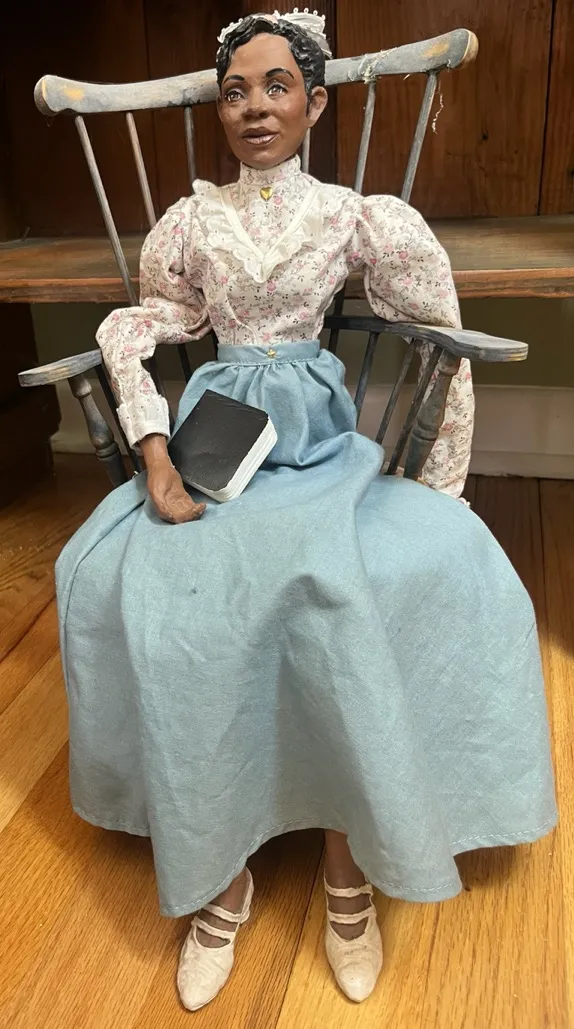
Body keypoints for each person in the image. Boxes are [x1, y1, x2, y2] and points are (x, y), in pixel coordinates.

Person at [56, 10, 557, 1012]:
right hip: (218, 431)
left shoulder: (350, 215)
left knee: (349, 587)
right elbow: (149, 322)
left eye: (277, 86)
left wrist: (440, 473)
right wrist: (152, 447)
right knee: (166, 591)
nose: (255, 107)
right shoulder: (195, 222)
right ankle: (219, 870)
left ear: (315, 103)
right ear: (220, 109)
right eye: (235, 91)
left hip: (317, 442)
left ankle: (346, 861)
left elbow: (432, 316)